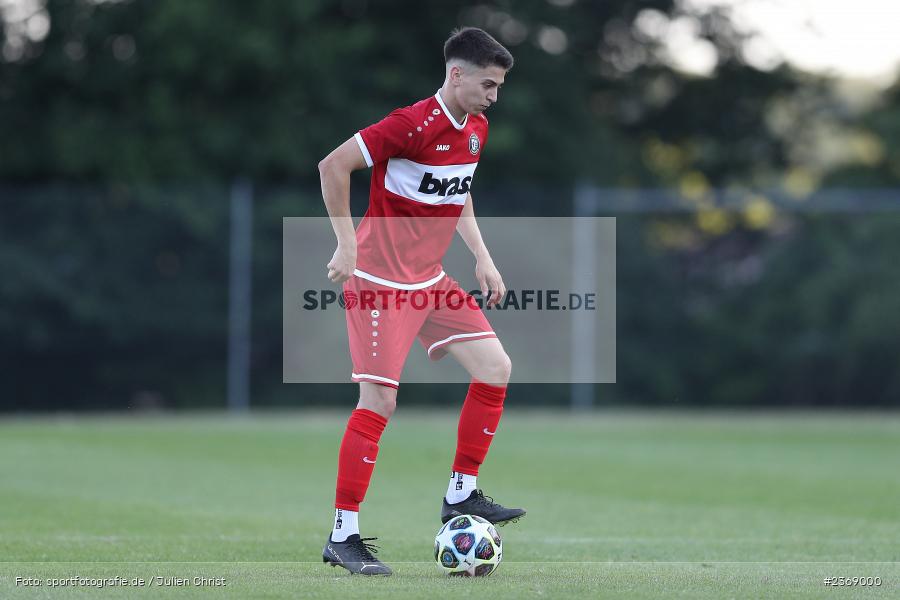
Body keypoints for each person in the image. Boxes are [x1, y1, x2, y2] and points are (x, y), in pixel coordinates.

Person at [317, 27, 525, 576]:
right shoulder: (410, 123)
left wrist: (482, 256)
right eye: (488, 83)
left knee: (495, 368)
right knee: (378, 404)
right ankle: (343, 536)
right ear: (456, 74)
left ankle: (461, 493)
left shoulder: (475, 128)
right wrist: (344, 242)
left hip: (429, 281)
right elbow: (332, 166)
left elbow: (456, 190)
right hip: (380, 284)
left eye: (499, 86)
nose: (494, 96)